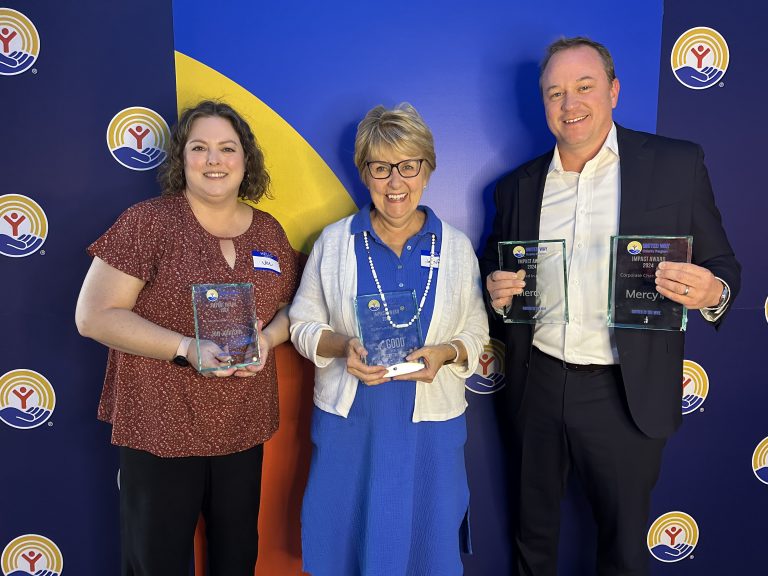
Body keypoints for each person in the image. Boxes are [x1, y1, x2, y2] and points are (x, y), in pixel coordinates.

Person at [482, 37, 740, 575]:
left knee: (623, 551)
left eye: (584, 87)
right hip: (539, 385)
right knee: (533, 541)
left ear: (614, 91)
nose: (569, 104)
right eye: (555, 93)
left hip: (625, 392)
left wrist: (713, 293)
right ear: (544, 103)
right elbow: (500, 285)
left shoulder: (676, 164)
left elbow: (723, 268)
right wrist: (495, 294)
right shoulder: (516, 188)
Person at [75, 100, 297, 575]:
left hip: (242, 426)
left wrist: (272, 338)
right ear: (182, 159)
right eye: (200, 148)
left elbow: (293, 307)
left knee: (236, 559)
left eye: (226, 148)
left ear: (246, 160)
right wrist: (186, 348)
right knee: (157, 562)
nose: (214, 160)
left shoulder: (269, 231)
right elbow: (93, 316)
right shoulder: (148, 222)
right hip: (161, 426)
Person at [290, 103, 489, 575]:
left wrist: (447, 352)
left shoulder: (456, 247)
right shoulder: (335, 243)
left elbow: (478, 331)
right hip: (353, 424)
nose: (395, 182)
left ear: (427, 169)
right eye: (380, 167)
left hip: (430, 430)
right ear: (364, 172)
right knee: (348, 551)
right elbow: (301, 325)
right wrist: (342, 347)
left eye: (408, 166)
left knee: (427, 551)